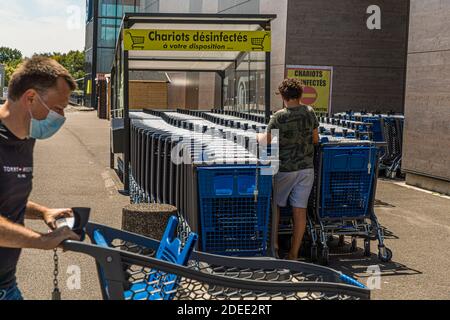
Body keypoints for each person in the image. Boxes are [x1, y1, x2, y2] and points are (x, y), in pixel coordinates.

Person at [0, 56, 81, 300]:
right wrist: (42, 240)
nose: (62, 117)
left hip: (7, 283)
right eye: (58, 108)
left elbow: (6, 198)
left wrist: (43, 212)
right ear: (31, 97)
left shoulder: (26, 137)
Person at [258, 78, 320, 260]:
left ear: (283, 97)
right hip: (306, 169)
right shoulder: (310, 112)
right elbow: (316, 139)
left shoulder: (279, 116)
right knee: (299, 210)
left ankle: (275, 245)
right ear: (300, 94)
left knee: (276, 205)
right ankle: (293, 254)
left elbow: (266, 141)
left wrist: (257, 136)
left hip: (285, 169)